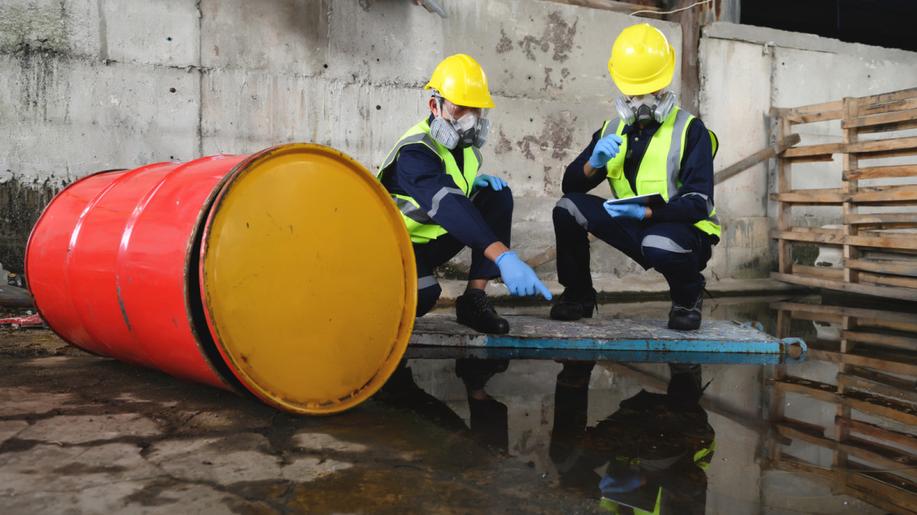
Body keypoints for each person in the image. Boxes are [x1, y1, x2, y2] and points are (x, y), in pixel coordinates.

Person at [551, 23, 720, 331]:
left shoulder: (690, 129)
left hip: (683, 230)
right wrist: (593, 161)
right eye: (634, 92)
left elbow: (699, 203)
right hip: (635, 222)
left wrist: (647, 211)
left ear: (665, 85)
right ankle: (578, 295)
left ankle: (687, 297)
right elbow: (571, 186)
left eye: (651, 90)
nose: (642, 101)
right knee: (567, 208)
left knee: (660, 243)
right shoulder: (612, 130)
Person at [378, 53, 551, 336]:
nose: (472, 119)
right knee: (422, 297)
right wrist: (503, 256)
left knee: (497, 196)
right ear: (435, 106)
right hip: (395, 247)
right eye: (462, 109)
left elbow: (456, 197)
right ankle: (367, 305)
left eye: (477, 110)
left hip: (432, 241)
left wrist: (471, 186)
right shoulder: (415, 152)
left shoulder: (467, 152)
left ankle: (473, 300)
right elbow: (447, 204)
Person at [549, 362, 714, 514]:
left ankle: (576, 369)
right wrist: (648, 478)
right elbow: (693, 484)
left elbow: (597, 499)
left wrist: (592, 490)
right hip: (676, 441)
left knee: (564, 460)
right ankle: (685, 369)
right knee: (671, 444)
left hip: (631, 436)